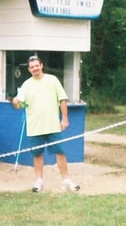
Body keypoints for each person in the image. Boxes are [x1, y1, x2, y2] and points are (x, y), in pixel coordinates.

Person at [12, 55, 80, 193]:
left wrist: (65, 118)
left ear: (41, 65)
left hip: (53, 126)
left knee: (60, 152)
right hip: (34, 127)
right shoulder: (26, 85)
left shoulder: (52, 80)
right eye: (32, 67)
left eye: (37, 66)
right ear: (29, 69)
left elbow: (62, 100)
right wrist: (15, 102)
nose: (35, 68)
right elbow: (20, 105)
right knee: (37, 154)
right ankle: (39, 181)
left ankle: (66, 180)